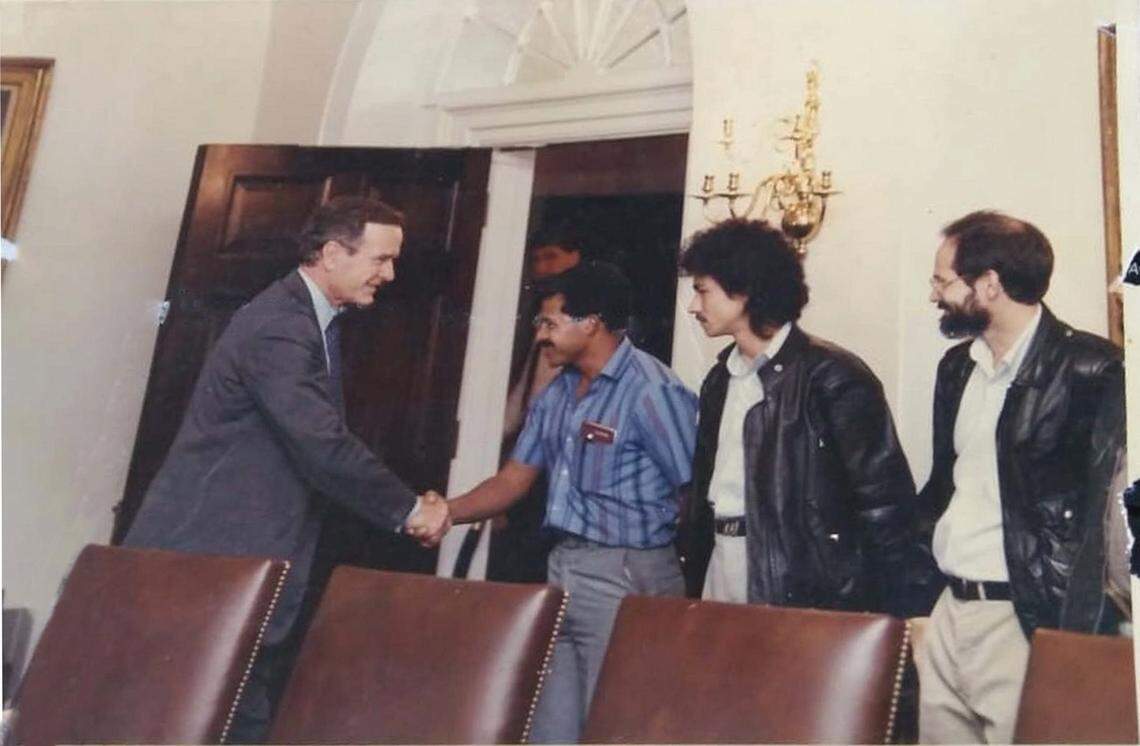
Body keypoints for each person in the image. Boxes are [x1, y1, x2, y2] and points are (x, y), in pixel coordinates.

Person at [124, 196, 450, 742]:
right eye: (380, 259)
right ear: (331, 253)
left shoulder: (309, 322)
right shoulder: (280, 326)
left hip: (236, 579)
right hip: (207, 577)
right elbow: (320, 444)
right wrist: (411, 510)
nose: (390, 274)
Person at [445, 261, 697, 743]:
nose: (539, 334)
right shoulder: (557, 392)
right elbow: (514, 478)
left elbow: (692, 491)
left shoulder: (652, 390)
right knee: (550, 730)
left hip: (627, 574)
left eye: (549, 322)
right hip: (562, 569)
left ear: (592, 323)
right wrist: (446, 511)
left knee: (618, 724)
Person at [916, 210, 1125, 743]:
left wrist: (1076, 631)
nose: (934, 294)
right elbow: (944, 488)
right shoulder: (957, 368)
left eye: (943, 281)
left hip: (1025, 620)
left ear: (989, 284)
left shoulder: (1093, 370)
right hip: (948, 612)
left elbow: (1106, 520)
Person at [677, 218, 934, 616]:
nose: (694, 306)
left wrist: (905, 611)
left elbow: (883, 502)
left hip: (801, 585)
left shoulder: (832, 376)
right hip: (721, 564)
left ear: (743, 291)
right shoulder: (720, 378)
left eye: (702, 290)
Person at [484, 227, 584, 583]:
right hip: (525, 459)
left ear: (575, 257)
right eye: (537, 259)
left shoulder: (586, 336)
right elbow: (520, 400)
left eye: (551, 257)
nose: (543, 267)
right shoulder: (533, 323)